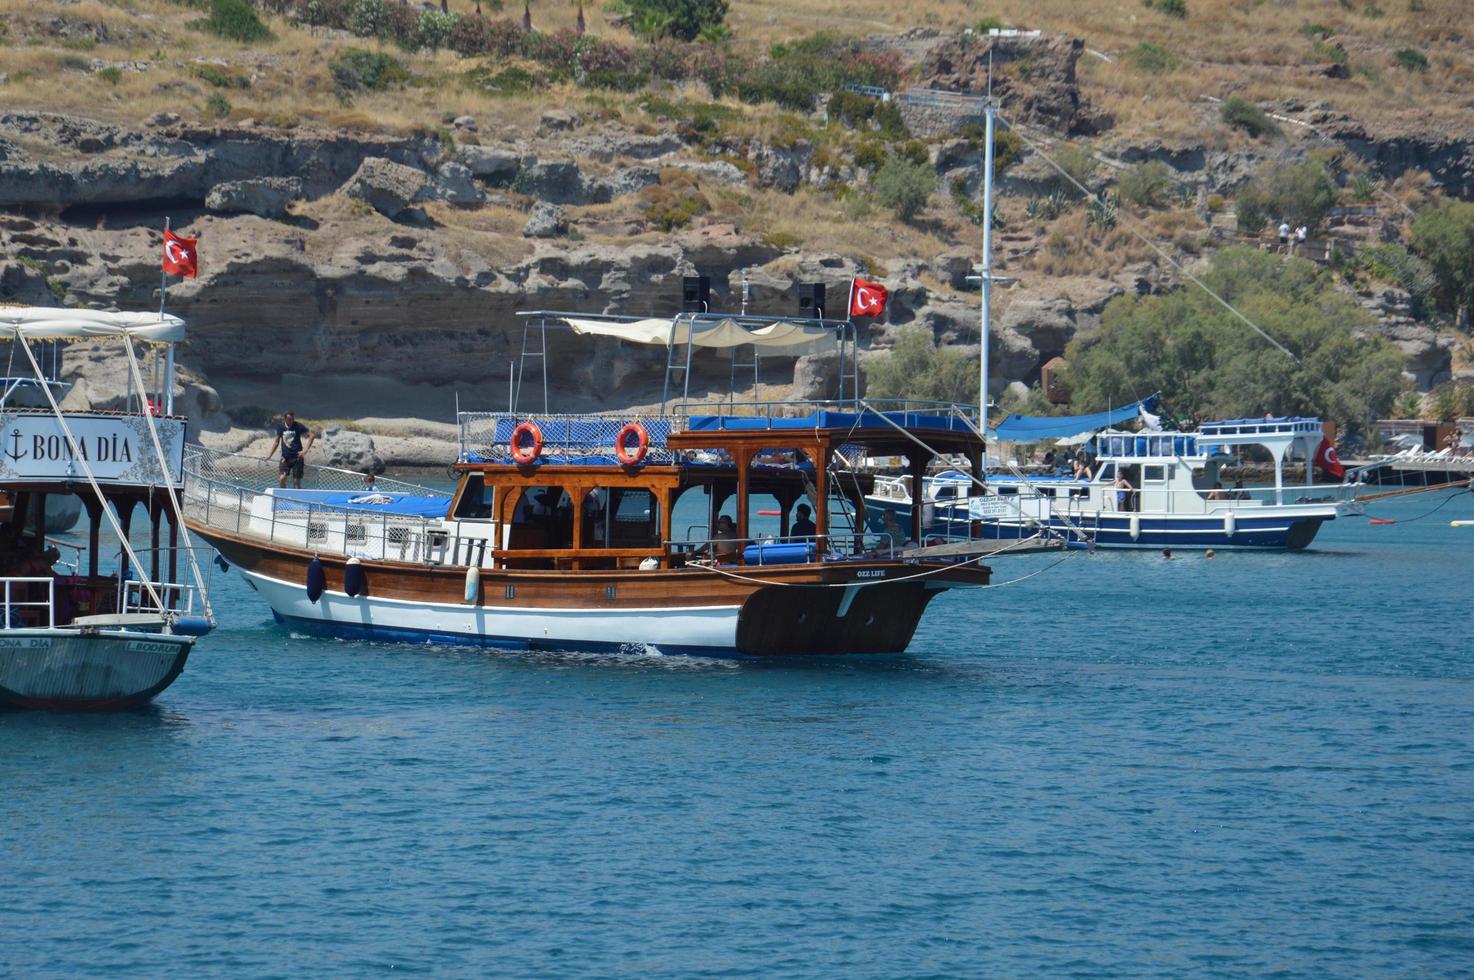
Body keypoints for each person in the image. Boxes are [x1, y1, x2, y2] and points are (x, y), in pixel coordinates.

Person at [267, 411, 314, 489]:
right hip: (285, 458)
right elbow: (276, 441)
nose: (291, 421)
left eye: (292, 419)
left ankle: (297, 500)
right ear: (284, 419)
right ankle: (283, 498)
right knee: (282, 478)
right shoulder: (280, 427)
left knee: (296, 482)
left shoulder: (298, 426)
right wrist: (270, 455)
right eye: (289, 419)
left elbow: (312, 436)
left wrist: (305, 450)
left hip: (297, 458)